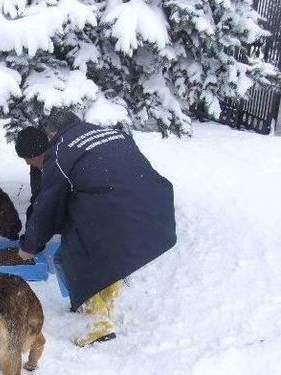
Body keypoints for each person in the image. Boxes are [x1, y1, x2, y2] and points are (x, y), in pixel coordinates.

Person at [14, 110, 177, 347]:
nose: (29, 164)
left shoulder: (59, 152)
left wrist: (29, 246)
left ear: (51, 134)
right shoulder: (111, 133)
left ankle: (98, 324)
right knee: (102, 251)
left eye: (28, 159)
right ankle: (106, 303)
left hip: (115, 208)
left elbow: (47, 206)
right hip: (155, 202)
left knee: (69, 256)